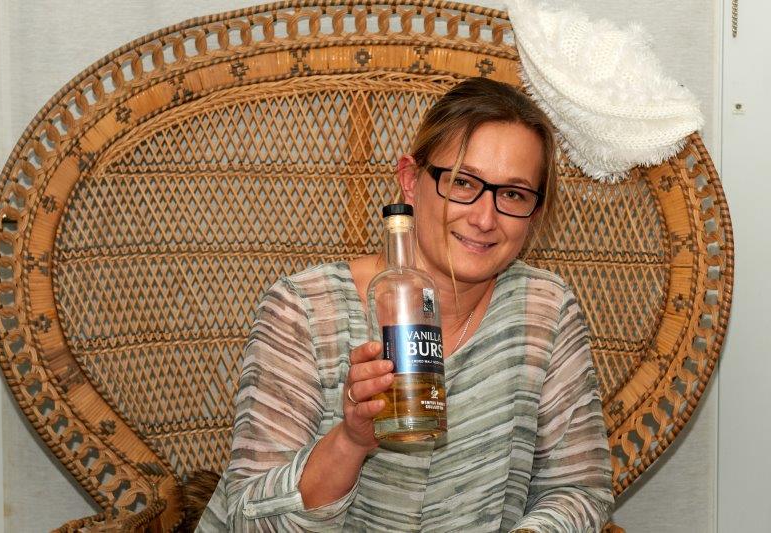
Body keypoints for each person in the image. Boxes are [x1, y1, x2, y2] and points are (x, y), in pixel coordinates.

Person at [195, 77, 614, 532]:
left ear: (535, 210)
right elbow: (248, 521)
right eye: (462, 182)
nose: (484, 217)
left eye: (513, 194)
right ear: (411, 182)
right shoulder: (305, 309)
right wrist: (351, 440)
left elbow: (579, 491)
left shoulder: (544, 310)